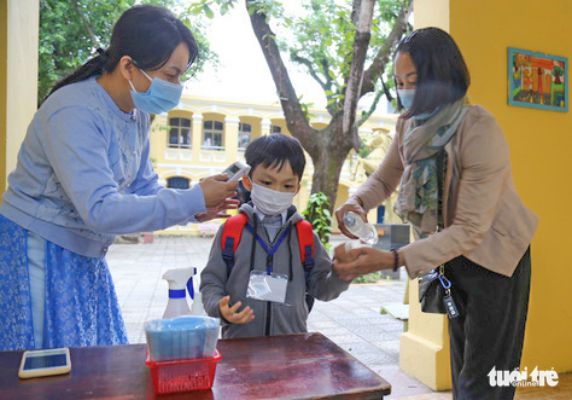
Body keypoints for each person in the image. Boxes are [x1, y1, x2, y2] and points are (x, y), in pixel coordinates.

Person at [0, 5, 238, 351]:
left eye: (180, 76)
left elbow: (143, 189)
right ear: (128, 65)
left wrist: (196, 207)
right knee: (46, 363)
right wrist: (193, 198)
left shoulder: (136, 114)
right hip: (39, 250)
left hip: (85, 255)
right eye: (171, 74)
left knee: (91, 362)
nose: (177, 86)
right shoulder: (74, 111)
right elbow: (101, 210)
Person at [333, 28, 537, 400]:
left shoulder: (478, 129)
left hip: (497, 259)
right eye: (399, 82)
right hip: (450, 257)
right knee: (462, 370)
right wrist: (357, 203)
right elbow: (386, 176)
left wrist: (393, 258)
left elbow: (471, 229)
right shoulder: (409, 124)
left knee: (488, 377)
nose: (405, 90)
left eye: (414, 80)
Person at [200, 134, 349, 338]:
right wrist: (218, 307)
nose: (276, 191)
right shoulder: (232, 230)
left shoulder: (304, 234)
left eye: (287, 185)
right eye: (267, 182)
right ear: (248, 181)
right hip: (239, 345)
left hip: (291, 346)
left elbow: (322, 288)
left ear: (297, 187)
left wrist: (341, 275)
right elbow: (211, 281)